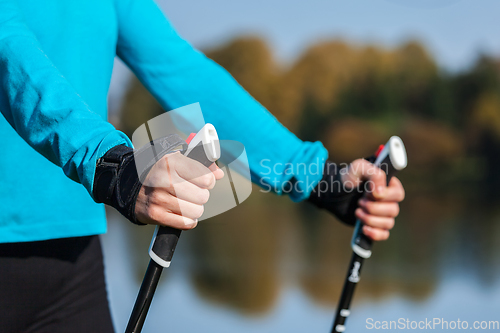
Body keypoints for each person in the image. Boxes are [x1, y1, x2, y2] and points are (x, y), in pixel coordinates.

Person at [0, 0, 405, 332]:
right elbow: (8, 51)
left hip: (72, 267)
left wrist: (316, 177)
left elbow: (183, 72)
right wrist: (112, 164)